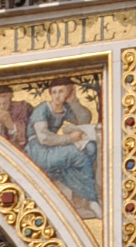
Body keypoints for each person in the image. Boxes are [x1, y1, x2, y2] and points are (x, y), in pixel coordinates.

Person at [25, 75, 100, 211]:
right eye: (54, 92)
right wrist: (69, 138)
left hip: (53, 148)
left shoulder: (64, 109)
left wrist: (74, 101)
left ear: (68, 92)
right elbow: (44, 138)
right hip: (39, 151)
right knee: (79, 156)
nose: (57, 96)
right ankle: (92, 199)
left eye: (61, 91)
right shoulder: (43, 109)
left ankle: (83, 199)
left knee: (91, 148)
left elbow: (84, 119)